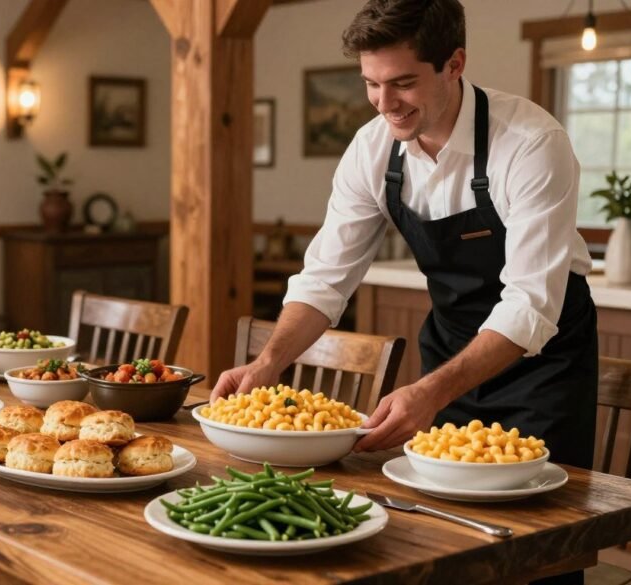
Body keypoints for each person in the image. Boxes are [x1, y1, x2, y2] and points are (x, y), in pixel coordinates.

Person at [212, 0, 597, 513]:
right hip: (451, 350)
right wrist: (269, 362)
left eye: (403, 83)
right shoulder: (372, 150)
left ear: (454, 65)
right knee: (442, 530)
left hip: (543, 369)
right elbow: (325, 280)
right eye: (371, 83)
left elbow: (529, 304)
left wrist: (430, 391)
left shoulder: (531, 144)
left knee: (541, 537)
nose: (383, 102)